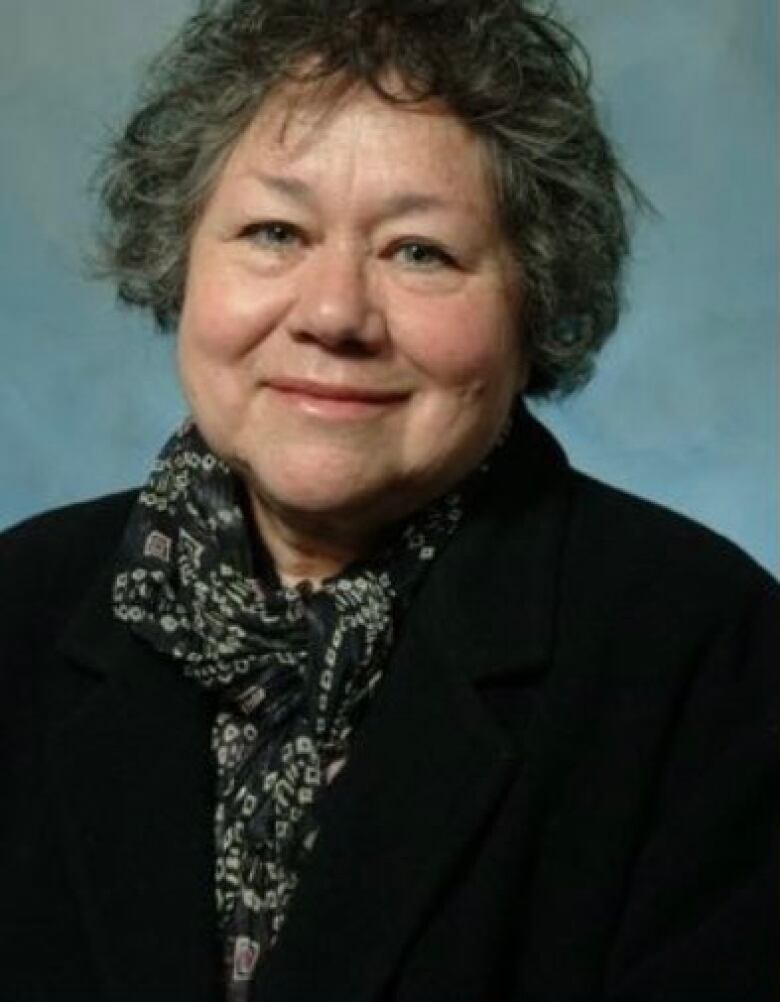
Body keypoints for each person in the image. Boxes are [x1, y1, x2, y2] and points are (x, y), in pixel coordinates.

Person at [0, 1, 776, 999]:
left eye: (421, 251)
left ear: (531, 300)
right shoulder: (18, 604)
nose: (334, 315)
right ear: (179, 263)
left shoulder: (708, 653)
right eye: (275, 231)